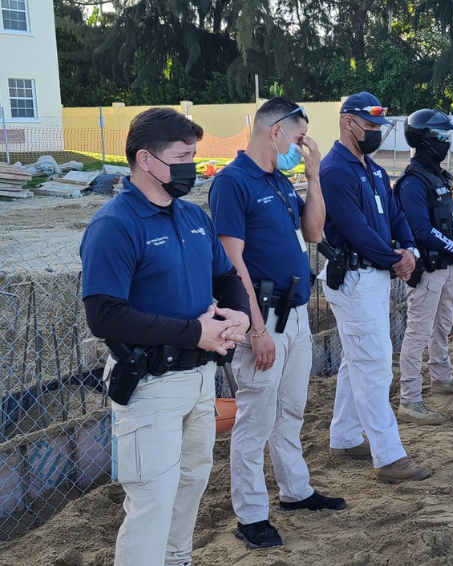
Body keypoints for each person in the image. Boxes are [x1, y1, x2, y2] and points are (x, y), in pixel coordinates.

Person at [80, 108, 251, 566]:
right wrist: (196, 331)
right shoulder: (114, 226)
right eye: (183, 156)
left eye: (194, 155)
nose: (192, 167)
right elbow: (105, 316)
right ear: (146, 160)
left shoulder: (193, 217)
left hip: (198, 381)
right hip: (150, 385)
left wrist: (239, 313)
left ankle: (177, 560)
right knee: (152, 499)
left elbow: (226, 275)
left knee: (191, 486)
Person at [208, 98, 344, 549]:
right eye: (299, 138)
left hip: (296, 313)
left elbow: (314, 234)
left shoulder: (281, 180)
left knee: (290, 411)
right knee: (255, 420)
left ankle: (295, 491)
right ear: (276, 132)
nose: (302, 146)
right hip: (263, 317)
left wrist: (313, 176)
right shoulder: (232, 182)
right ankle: (250, 516)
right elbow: (232, 263)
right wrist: (255, 329)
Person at [319, 91, 431, 483]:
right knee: (375, 364)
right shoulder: (334, 171)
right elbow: (356, 231)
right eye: (369, 126)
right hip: (354, 278)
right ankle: (389, 457)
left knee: (357, 359)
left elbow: (397, 216)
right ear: (348, 123)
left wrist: (409, 249)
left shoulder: (374, 170)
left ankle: (346, 436)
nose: (376, 133)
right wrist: (396, 258)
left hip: (374, 275)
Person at [393, 109, 453, 426]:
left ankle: (442, 379)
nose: (446, 142)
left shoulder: (438, 177)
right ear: (426, 140)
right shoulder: (412, 183)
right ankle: (410, 400)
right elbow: (419, 229)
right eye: (441, 137)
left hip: (449, 268)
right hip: (429, 270)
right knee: (417, 334)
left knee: (444, 325)